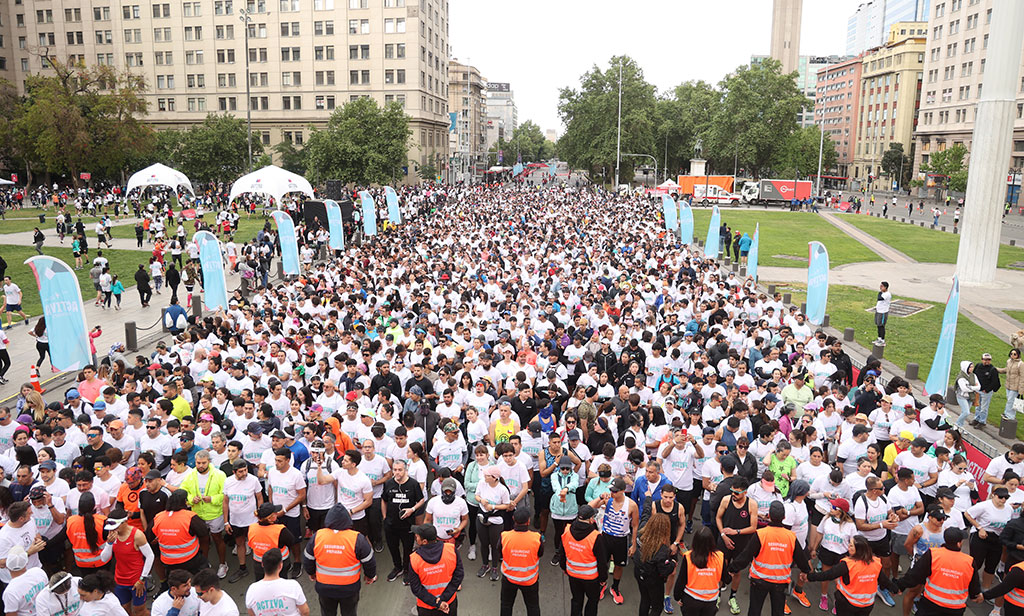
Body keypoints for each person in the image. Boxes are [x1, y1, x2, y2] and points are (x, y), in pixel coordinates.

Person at [728, 501, 811, 616]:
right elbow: (800, 558)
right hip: (780, 582)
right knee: (778, 611)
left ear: (769, 516)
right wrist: (805, 570)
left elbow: (745, 556)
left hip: (759, 580)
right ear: (784, 517)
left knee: (754, 610)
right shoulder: (791, 536)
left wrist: (731, 568)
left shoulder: (760, 534)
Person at [302, 503, 377, 616]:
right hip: (349, 589)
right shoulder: (357, 538)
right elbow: (369, 561)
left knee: (327, 613)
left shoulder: (318, 536)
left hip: (324, 588)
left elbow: (308, 558)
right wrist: (369, 576)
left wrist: (311, 573)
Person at [894, 528, 980, 616]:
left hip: (930, 605)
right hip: (955, 609)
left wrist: (899, 586)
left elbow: (915, 575)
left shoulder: (933, 554)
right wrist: (975, 595)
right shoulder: (969, 561)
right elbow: (974, 584)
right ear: (959, 543)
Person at [807, 535, 899, 616]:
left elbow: (828, 575)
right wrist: (895, 589)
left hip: (847, 603)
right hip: (867, 606)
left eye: (851, 545)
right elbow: (884, 580)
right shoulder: (875, 563)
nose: (848, 547)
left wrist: (809, 577)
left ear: (857, 550)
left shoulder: (848, 564)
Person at [100, 508, 155, 616]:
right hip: (120, 580)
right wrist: (109, 544)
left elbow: (150, 556)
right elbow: (104, 559)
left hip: (136, 580)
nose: (113, 530)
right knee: (123, 610)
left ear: (125, 522)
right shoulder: (112, 536)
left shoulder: (137, 535)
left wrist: (142, 579)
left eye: (116, 526)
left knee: (140, 611)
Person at [716, 476, 758, 614]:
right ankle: (718, 595)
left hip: (742, 543)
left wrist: (736, 532)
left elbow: (753, 527)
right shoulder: (726, 500)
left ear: (745, 492)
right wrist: (723, 535)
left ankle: (732, 597)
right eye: (732, 491)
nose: (733, 495)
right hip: (724, 541)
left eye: (737, 493)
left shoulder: (752, 504)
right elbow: (718, 517)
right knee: (722, 568)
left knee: (736, 571)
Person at [381, 458, 425, 583]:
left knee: (407, 548)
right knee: (393, 547)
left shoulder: (413, 484)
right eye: (395, 470)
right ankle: (397, 567)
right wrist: (384, 517)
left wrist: (412, 509)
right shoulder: (389, 483)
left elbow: (421, 500)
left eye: (400, 470)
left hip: (407, 525)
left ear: (406, 470)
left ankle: (407, 569)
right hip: (390, 524)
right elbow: (384, 500)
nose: (397, 473)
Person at [560, 504, 608, 616]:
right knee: (592, 601)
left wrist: (564, 568)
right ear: (591, 519)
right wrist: (603, 578)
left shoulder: (567, 530)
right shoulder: (595, 537)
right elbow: (602, 561)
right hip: (591, 578)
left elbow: (562, 553)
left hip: (572, 574)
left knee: (576, 600)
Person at [408, 523, 463, 616]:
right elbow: (458, 576)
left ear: (424, 541)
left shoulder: (414, 559)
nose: (415, 538)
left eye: (417, 536)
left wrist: (436, 603)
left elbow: (416, 588)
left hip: (426, 607)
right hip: (448, 603)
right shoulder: (451, 550)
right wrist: (443, 600)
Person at [152, 489, 209, 578]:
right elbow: (204, 533)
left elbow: (150, 536)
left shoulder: (158, 517)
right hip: (190, 559)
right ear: (185, 502)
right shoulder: (190, 517)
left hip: (168, 562)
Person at [673, 525, 728, 616]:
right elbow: (726, 578)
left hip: (691, 600)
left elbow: (681, 580)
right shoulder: (720, 556)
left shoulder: (688, 557)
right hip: (711, 601)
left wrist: (678, 597)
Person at [499, 507, 542, 616]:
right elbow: (540, 553)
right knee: (533, 607)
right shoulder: (536, 538)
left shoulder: (505, 536)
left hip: (509, 578)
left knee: (506, 605)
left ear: (513, 519)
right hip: (530, 579)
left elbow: (499, 552)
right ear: (528, 521)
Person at [632, 512, 677, 616]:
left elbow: (645, 515)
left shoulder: (641, 534)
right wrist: (673, 562)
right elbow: (664, 570)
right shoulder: (662, 550)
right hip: (653, 580)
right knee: (657, 607)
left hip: (639, 572)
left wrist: (647, 498)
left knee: (645, 599)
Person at [244, 548, 309, 616]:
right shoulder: (293, 586)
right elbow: (305, 611)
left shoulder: (252, 589)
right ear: (280, 565)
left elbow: (251, 613)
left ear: (262, 564)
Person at [247, 503, 296, 582]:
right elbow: (291, 541)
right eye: (275, 513)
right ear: (270, 518)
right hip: (279, 564)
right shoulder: (280, 530)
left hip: (259, 564)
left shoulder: (252, 527)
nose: (277, 513)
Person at [1, 546, 48, 616]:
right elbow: (48, 593)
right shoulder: (38, 572)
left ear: (7, 566)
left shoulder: (10, 592)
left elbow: (11, 614)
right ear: (26, 563)